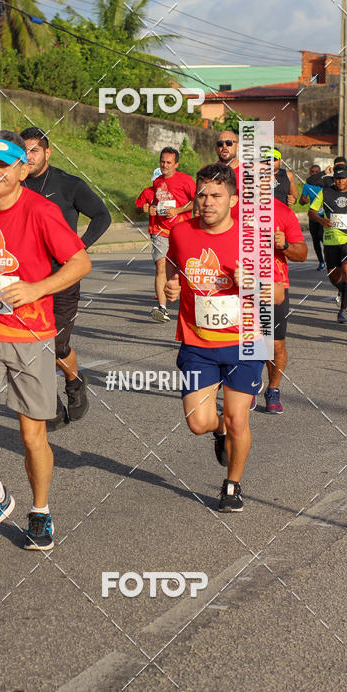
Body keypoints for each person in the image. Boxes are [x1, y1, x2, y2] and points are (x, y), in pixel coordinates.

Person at [0, 130, 91, 550]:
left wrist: (38, 288)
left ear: (22, 170)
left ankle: (40, 511)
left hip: (31, 337)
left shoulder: (42, 211)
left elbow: (81, 262)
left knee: (32, 438)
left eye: (4, 165)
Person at [164, 163, 265, 513]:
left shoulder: (251, 238)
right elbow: (173, 264)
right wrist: (172, 284)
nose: (207, 202)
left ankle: (232, 485)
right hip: (197, 342)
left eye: (216, 195)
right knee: (198, 423)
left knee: (239, 418)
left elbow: (278, 294)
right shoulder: (181, 232)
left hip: (245, 342)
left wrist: (253, 284)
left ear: (233, 200)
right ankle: (218, 432)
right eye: (202, 194)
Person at [20, 127, 111, 429]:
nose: (29, 156)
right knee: (34, 345)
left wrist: (80, 247)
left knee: (55, 345)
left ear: (47, 152)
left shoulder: (68, 185)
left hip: (63, 276)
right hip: (27, 281)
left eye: (35, 150)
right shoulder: (13, 185)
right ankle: (52, 405)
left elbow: (102, 215)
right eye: (24, 150)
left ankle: (74, 381)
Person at [256, 199, 307, 414]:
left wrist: (284, 245)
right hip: (238, 284)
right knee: (246, 340)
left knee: (274, 344)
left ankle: (273, 389)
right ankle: (247, 386)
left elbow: (302, 254)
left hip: (272, 286)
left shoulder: (282, 212)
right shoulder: (231, 206)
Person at [135, 147, 196, 323]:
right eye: (162, 162)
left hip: (182, 231)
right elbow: (147, 203)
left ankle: (191, 305)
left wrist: (178, 210)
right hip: (160, 231)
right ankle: (162, 308)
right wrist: (149, 208)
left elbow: (197, 200)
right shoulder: (157, 183)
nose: (165, 165)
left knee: (184, 270)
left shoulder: (185, 180)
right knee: (161, 267)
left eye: (169, 162)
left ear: (176, 164)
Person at [308, 163, 347, 323]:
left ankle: (343, 310)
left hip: (346, 241)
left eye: (343, 178)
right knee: (333, 277)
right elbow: (311, 212)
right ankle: (345, 295)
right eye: (337, 178)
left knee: (346, 271)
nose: (340, 181)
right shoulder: (325, 192)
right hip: (330, 241)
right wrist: (321, 220)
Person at [299, 164, 325, 270]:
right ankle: (321, 261)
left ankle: (328, 256)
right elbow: (301, 201)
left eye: (316, 172)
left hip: (324, 215)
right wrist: (303, 201)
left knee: (323, 237)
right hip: (313, 215)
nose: (314, 173)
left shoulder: (324, 184)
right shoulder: (307, 185)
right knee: (315, 240)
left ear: (320, 173)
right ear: (310, 173)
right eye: (312, 172)